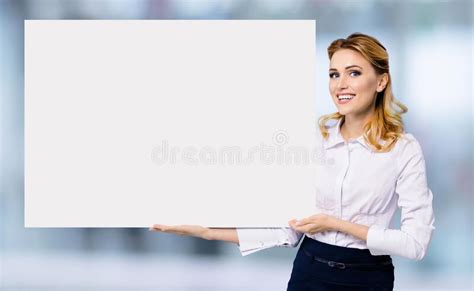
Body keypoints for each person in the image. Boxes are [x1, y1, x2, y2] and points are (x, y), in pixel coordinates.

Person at [149, 32, 435, 291]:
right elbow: (288, 230)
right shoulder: (314, 140)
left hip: (367, 278)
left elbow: (415, 244)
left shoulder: (403, 150)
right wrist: (205, 231)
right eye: (334, 75)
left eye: (354, 73)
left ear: (381, 81)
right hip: (309, 272)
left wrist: (336, 224)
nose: (341, 85)